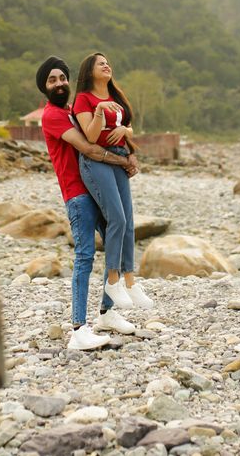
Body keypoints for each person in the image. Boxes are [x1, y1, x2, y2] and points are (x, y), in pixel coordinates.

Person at [36, 56, 141, 351]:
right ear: (45, 87)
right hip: (77, 193)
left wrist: (129, 151)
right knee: (84, 256)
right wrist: (124, 161)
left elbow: (107, 133)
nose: (59, 84)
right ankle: (79, 329)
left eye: (62, 78)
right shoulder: (52, 116)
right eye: (52, 80)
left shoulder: (74, 109)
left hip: (97, 187)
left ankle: (107, 313)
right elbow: (88, 148)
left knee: (115, 241)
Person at [73, 52, 154, 313]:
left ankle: (130, 281)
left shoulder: (116, 97)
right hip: (97, 163)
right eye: (100, 63)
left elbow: (128, 127)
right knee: (116, 219)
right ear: (89, 71)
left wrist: (125, 131)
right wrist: (98, 112)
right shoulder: (84, 99)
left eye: (108, 62)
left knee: (129, 222)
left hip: (119, 158)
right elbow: (91, 136)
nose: (107, 65)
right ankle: (113, 280)